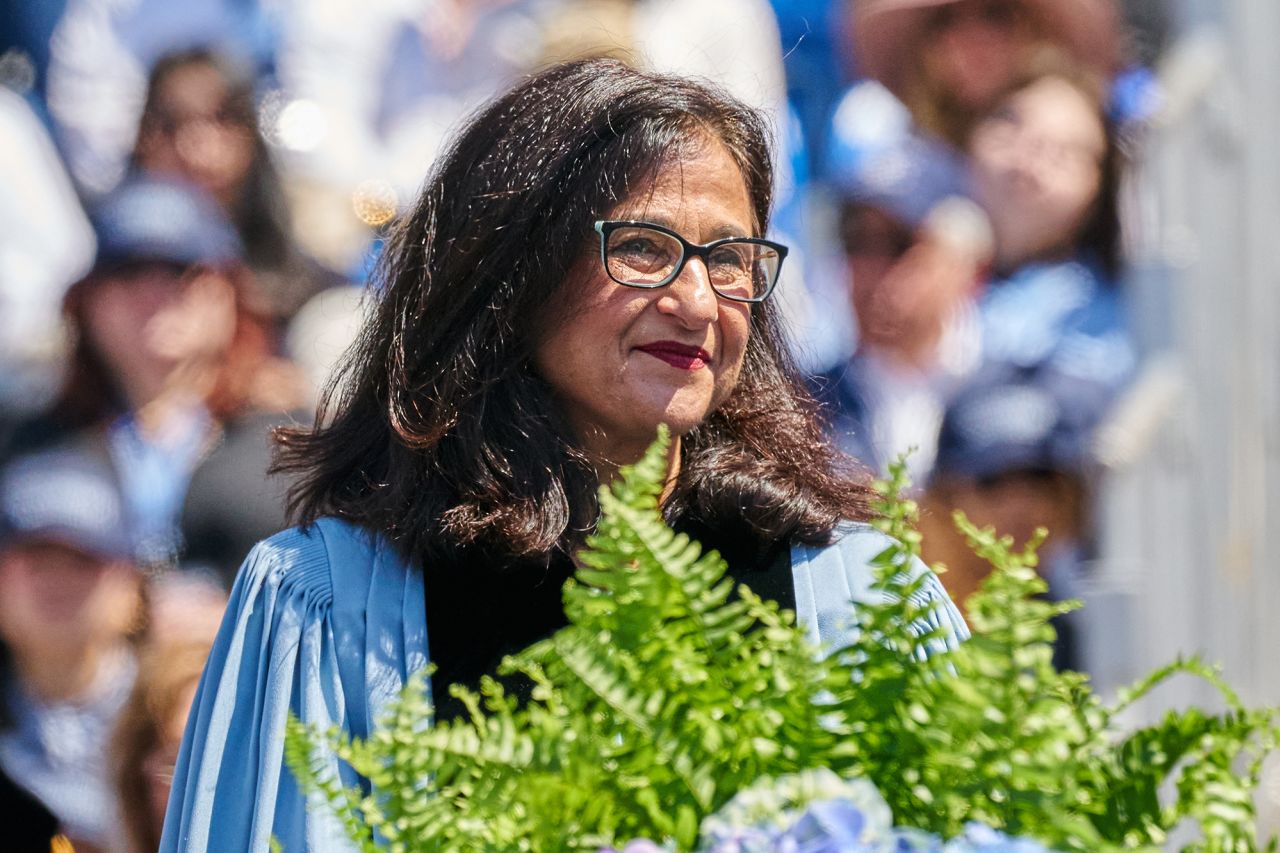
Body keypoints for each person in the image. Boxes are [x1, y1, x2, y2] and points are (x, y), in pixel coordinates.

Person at [160, 58, 967, 851]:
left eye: (729, 259)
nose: (695, 301)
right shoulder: (333, 610)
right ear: (513, 274)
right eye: (645, 247)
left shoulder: (860, 602)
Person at [1, 175, 301, 566]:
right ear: (86, 301)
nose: (154, 297)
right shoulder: (28, 440)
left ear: (231, 293)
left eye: (182, 272)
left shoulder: (291, 440)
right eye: (128, 272)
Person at [813, 131, 989, 481]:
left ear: (969, 267)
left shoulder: (1021, 384)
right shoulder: (807, 403)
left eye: (899, 245)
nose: (870, 270)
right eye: (854, 240)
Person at [920, 363, 1111, 671]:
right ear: (942, 496)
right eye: (991, 482)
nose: (1020, 505)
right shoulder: (902, 618)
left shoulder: (1076, 627)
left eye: (1039, 479)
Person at [0, 448, 145, 852]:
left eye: (83, 559)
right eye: (37, 560)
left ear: (131, 582)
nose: (57, 580)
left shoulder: (179, 720)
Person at [968, 57, 1137, 395]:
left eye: (1064, 152)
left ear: (1099, 191)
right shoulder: (881, 252)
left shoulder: (1103, 325)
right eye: (1010, 125)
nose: (1028, 159)